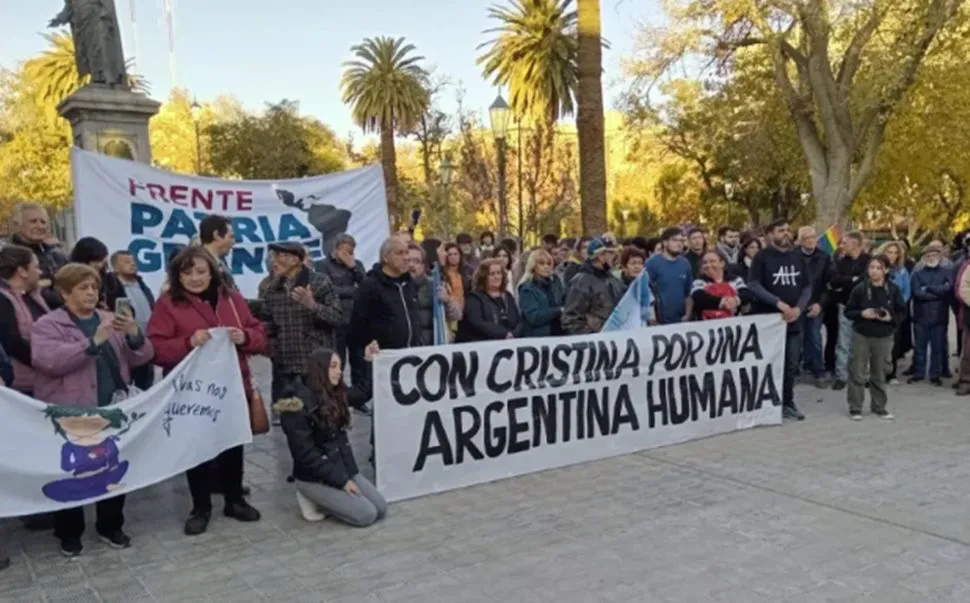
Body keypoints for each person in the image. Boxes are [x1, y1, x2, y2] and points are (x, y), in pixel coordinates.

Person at [31, 263, 154, 556]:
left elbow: (142, 356)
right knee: (72, 472)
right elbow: (49, 360)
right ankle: (69, 532)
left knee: (111, 469)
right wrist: (91, 343)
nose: (90, 293)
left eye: (94, 287)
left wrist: (135, 335)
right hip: (71, 411)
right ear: (64, 293)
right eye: (82, 288)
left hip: (111, 408)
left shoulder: (109, 318)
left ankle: (110, 525)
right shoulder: (48, 324)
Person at [147, 246, 267, 536]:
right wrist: (187, 342)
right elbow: (156, 347)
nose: (195, 278)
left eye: (201, 271)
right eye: (187, 272)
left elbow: (260, 335)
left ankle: (234, 499)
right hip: (192, 391)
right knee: (196, 447)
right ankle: (200, 507)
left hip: (233, 384)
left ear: (212, 271)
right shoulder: (168, 304)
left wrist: (245, 336)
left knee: (233, 442)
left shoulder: (232, 299)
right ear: (177, 276)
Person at [275, 348, 387, 526]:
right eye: (333, 366)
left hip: (344, 467)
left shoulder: (334, 392)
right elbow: (306, 455)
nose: (339, 371)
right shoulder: (296, 406)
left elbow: (364, 391)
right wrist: (342, 481)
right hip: (314, 477)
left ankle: (333, 499)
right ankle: (309, 496)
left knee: (380, 508)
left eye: (340, 366)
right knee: (366, 515)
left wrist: (369, 361)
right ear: (320, 370)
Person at [259, 242, 342, 410]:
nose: (274, 262)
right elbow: (268, 324)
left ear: (295, 260)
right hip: (285, 367)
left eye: (280, 257)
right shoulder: (272, 289)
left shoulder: (319, 282)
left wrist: (313, 306)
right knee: (291, 421)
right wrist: (273, 349)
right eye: (274, 257)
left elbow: (337, 317)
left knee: (322, 413)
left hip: (315, 365)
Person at [747, 219, 812, 421]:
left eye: (787, 230)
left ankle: (787, 402)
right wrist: (779, 304)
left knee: (791, 364)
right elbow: (754, 284)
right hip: (768, 319)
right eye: (780, 230)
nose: (785, 233)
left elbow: (807, 286)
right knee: (766, 362)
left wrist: (799, 309)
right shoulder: (762, 257)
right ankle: (763, 402)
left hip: (793, 321)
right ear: (770, 234)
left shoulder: (798, 256)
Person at [843, 255, 906, 420]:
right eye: (871, 267)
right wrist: (862, 313)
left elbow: (902, 312)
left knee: (879, 372)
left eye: (878, 268)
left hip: (883, 336)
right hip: (861, 334)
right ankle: (855, 407)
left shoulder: (893, 290)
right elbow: (848, 311)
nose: (874, 271)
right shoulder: (860, 289)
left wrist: (889, 317)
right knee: (857, 370)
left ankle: (879, 406)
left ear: (886, 270)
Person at [312, 234, 366, 378]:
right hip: (335, 321)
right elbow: (326, 289)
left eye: (351, 252)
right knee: (337, 361)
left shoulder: (357, 265)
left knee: (359, 362)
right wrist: (352, 290)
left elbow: (366, 287)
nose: (347, 255)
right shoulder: (322, 265)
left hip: (355, 320)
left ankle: (358, 395)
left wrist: (353, 267)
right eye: (344, 251)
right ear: (336, 249)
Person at [0, 245, 49, 397]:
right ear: (22, 271)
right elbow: (12, 342)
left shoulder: (28, 296)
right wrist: (47, 361)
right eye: (36, 267)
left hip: (38, 379)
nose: (40, 272)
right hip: (20, 385)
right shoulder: (3, 298)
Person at [103, 250, 156, 390]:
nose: (132, 264)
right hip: (125, 343)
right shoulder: (111, 286)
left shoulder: (142, 284)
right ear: (114, 267)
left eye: (133, 261)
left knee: (146, 384)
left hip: (146, 342)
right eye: (126, 262)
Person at [827, 232, 870, 390]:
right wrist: (851, 279)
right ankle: (841, 376)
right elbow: (834, 280)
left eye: (845, 243)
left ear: (855, 244)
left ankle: (862, 375)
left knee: (863, 343)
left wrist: (848, 281)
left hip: (865, 307)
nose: (841, 246)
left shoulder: (869, 261)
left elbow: (867, 280)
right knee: (843, 342)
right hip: (845, 305)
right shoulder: (841, 261)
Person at [6, 203, 67, 308]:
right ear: (17, 225)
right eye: (33, 221)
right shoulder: (6, 254)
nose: (40, 226)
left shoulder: (57, 256)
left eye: (43, 222)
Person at [562, 238, 625, 335]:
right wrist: (591, 339)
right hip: (596, 344)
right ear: (600, 256)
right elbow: (571, 320)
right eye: (612, 253)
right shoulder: (581, 282)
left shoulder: (615, 281)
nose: (616, 257)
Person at [909, 242, 951, 386]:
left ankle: (935, 375)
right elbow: (917, 293)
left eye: (934, 255)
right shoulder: (917, 274)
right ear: (924, 258)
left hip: (939, 316)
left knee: (937, 348)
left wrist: (928, 288)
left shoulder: (946, 272)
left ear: (939, 256)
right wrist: (937, 292)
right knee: (920, 347)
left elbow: (947, 290)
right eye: (929, 255)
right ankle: (919, 373)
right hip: (921, 316)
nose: (932, 257)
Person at [456, 258, 524, 342]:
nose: (496, 277)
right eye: (492, 274)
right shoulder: (474, 298)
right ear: (484, 277)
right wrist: (504, 334)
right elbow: (478, 323)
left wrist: (514, 334)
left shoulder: (508, 296)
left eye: (499, 273)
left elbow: (518, 320)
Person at [408, 243, 461, 344]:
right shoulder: (397, 287)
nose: (411, 265)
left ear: (423, 265)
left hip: (431, 347)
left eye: (416, 261)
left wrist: (447, 301)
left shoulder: (436, 285)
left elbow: (456, 315)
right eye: (408, 260)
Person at [797, 226, 830, 386]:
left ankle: (819, 371)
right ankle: (795, 369)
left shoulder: (824, 257)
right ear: (800, 241)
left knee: (815, 337)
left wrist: (820, 304)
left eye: (813, 237)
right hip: (797, 305)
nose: (811, 241)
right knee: (797, 337)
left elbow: (827, 284)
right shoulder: (792, 256)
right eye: (806, 238)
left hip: (816, 303)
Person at [877, 241, 912, 384]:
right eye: (889, 252)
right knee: (878, 343)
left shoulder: (902, 271)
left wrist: (898, 305)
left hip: (895, 312)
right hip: (878, 310)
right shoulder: (876, 267)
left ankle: (891, 374)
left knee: (894, 343)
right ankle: (877, 372)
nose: (892, 255)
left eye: (895, 252)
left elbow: (907, 291)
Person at [644, 228, 694, 325]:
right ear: (665, 242)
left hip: (681, 321)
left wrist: (687, 315)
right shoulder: (652, 263)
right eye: (675, 240)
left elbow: (688, 293)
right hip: (659, 323)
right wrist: (652, 318)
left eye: (681, 240)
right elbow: (646, 293)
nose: (679, 243)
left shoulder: (685, 264)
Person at [690, 250, 752, 320]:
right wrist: (723, 302)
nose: (708, 265)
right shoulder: (698, 281)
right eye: (705, 263)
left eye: (712, 261)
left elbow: (747, 294)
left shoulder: (735, 279)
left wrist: (735, 301)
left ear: (722, 263)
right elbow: (698, 297)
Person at [517, 249, 565, 338]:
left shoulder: (555, 283)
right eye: (542, 263)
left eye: (548, 263)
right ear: (533, 266)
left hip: (558, 335)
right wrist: (558, 311)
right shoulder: (527, 288)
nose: (546, 267)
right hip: (537, 337)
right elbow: (534, 318)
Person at [198, 215, 237, 291]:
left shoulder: (219, 264)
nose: (234, 242)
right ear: (216, 235)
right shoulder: (198, 264)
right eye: (231, 237)